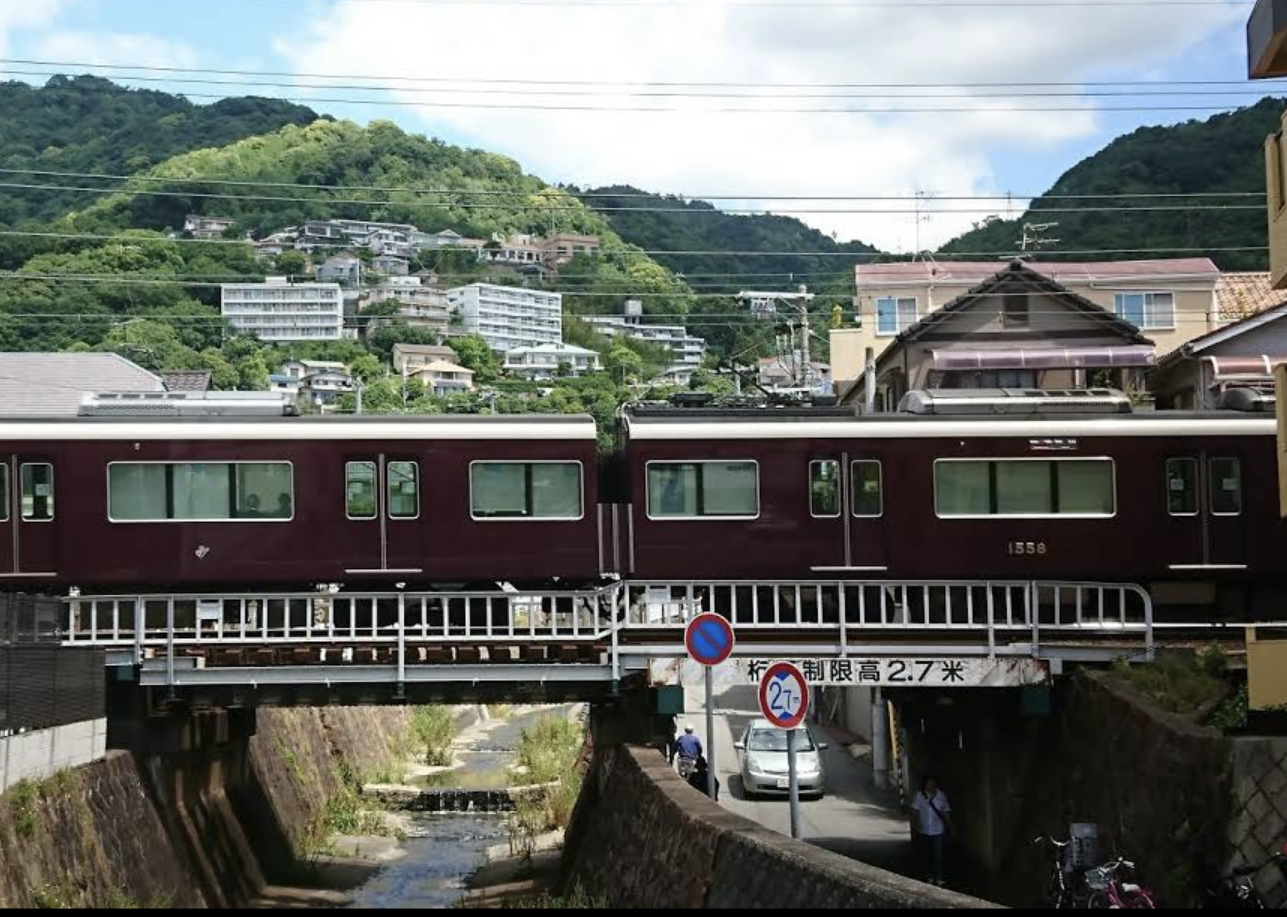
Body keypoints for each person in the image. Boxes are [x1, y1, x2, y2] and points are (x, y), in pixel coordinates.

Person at [911, 776, 952, 888]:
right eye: (928, 783)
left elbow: (946, 812)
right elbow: (915, 812)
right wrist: (915, 826)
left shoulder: (941, 795)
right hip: (924, 830)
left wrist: (950, 826)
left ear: (936, 784)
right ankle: (929, 877)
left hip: (937, 830)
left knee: (938, 856)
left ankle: (938, 878)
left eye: (932, 782)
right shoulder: (919, 795)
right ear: (924, 784)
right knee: (926, 855)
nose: (930, 785)